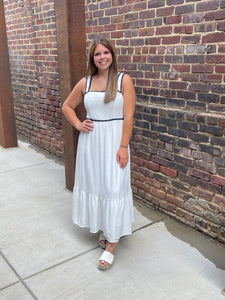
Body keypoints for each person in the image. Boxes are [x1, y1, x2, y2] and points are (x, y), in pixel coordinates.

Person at [62, 36, 136, 270]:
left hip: (115, 142)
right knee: (98, 186)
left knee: (114, 187)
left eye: (106, 52)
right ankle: (108, 229)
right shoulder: (85, 82)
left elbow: (129, 116)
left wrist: (123, 146)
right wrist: (78, 124)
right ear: (92, 58)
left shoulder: (124, 80)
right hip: (91, 143)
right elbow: (66, 106)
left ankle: (112, 243)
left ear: (112, 55)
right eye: (97, 54)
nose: (102, 57)